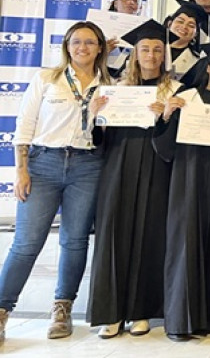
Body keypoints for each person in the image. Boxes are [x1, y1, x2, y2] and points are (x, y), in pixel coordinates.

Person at [0, 21, 111, 344]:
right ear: (67, 46)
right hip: (43, 163)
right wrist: (21, 170)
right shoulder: (47, 78)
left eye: (89, 42)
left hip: (88, 165)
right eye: (76, 42)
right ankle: (3, 310)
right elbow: (25, 124)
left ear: (100, 48)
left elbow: (108, 133)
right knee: (26, 243)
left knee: (75, 241)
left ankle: (62, 309)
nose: (82, 48)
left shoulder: (109, 84)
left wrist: (99, 116)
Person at [87, 20, 181, 339]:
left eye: (157, 50)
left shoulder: (175, 91)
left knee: (149, 235)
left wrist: (165, 118)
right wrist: (96, 116)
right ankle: (111, 313)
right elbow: (100, 139)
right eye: (145, 49)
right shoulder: (116, 89)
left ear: (164, 55)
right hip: (119, 166)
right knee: (113, 235)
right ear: (135, 54)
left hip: (156, 169)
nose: (151, 55)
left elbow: (177, 144)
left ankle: (141, 311)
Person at [152, 39, 210, 342]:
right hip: (188, 175)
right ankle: (180, 321)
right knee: (185, 242)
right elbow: (164, 146)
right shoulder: (185, 97)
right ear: (208, 68)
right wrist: (167, 115)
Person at [105, 0, 156, 77]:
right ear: (115, 3)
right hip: (103, 76)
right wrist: (103, 52)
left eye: (135, 0)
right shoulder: (100, 27)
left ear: (140, 7)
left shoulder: (147, 31)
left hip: (133, 78)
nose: (130, 2)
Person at [165, 0, 202, 81]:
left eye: (191, 25)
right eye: (180, 21)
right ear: (169, 24)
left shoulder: (196, 62)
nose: (184, 27)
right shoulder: (155, 49)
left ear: (195, 34)